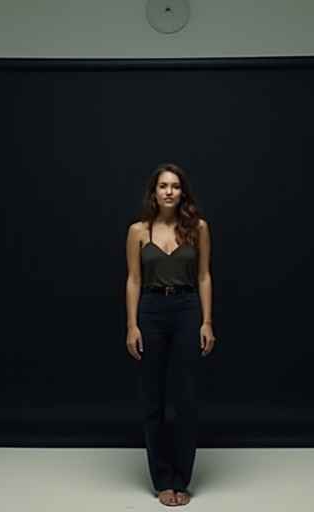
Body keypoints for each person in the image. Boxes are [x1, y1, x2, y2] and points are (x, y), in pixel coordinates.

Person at [125, 163, 215, 507]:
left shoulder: (198, 229)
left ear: (183, 193)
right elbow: (133, 279)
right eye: (162, 186)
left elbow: (204, 276)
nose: (168, 192)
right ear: (153, 192)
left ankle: (182, 479)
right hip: (150, 311)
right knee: (153, 402)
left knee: (187, 402)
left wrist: (207, 322)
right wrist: (131, 325)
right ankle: (163, 480)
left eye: (175, 186)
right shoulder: (138, 231)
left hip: (187, 309)